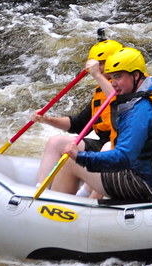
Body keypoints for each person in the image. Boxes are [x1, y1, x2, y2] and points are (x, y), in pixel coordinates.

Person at [42, 46, 152, 201]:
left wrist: (81, 157)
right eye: (111, 77)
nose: (113, 83)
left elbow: (123, 157)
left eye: (118, 77)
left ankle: (56, 212)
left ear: (135, 75)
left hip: (150, 184)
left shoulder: (141, 110)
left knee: (70, 162)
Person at [33, 38, 121, 185]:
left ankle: (89, 196)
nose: (98, 68)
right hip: (103, 144)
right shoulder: (99, 92)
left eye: (102, 64)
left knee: (107, 148)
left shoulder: (129, 86)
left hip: (121, 149)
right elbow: (78, 124)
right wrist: (47, 119)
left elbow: (119, 99)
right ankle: (40, 188)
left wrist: (97, 75)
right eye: (96, 64)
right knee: (56, 142)